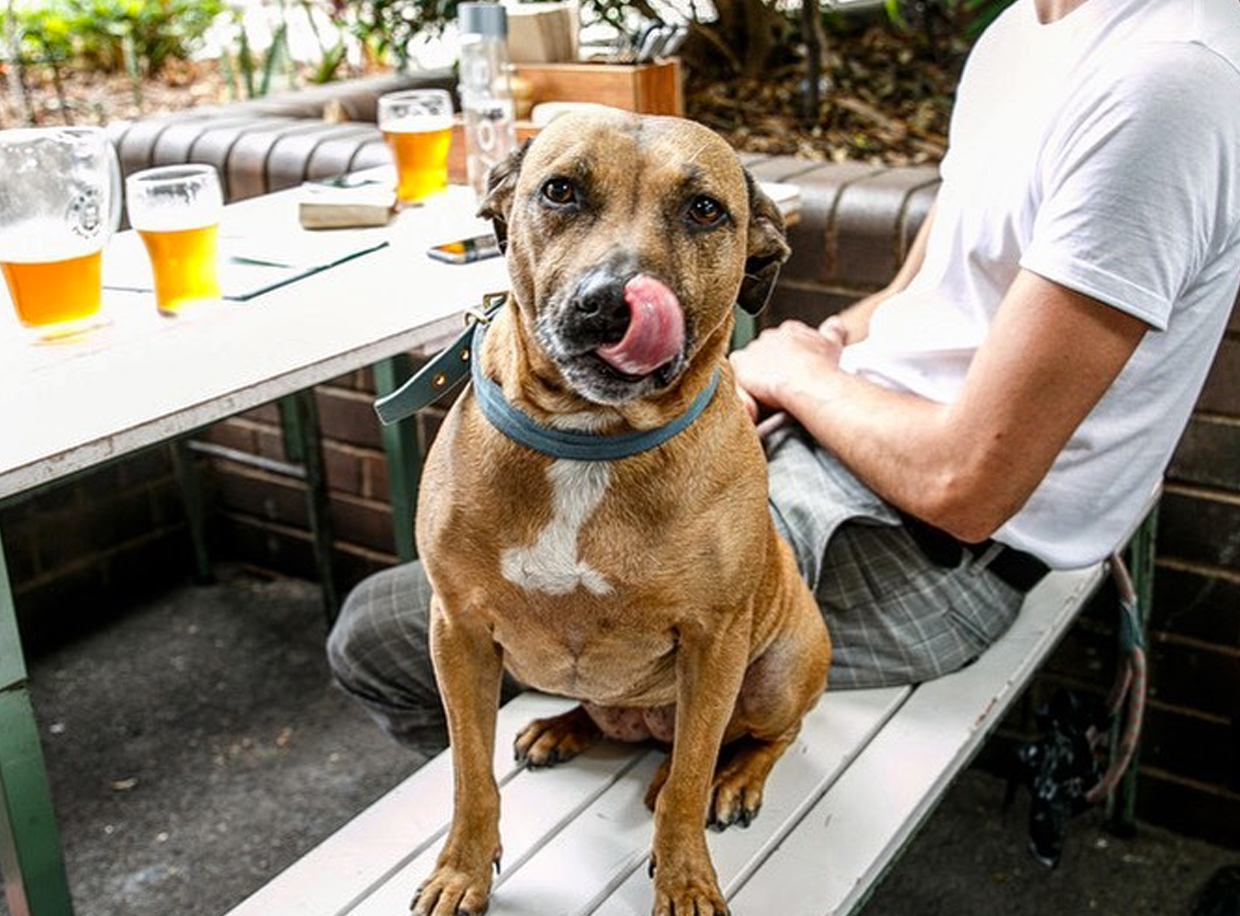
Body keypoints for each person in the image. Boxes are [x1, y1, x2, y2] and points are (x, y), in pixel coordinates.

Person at [327, 0, 1240, 755]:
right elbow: (927, 283)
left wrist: (796, 377)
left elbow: (969, 485)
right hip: (838, 441)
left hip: (931, 547)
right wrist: (827, 341)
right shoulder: (1020, 35)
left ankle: (555, 855)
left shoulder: (1171, 84)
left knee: (379, 631)